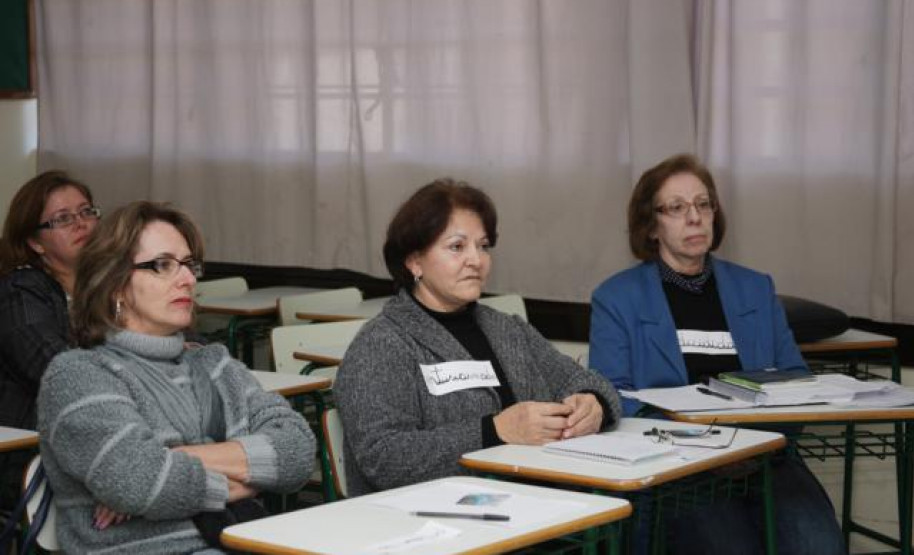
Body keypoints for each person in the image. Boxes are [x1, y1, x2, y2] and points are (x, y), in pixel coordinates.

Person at [589, 153, 844, 554]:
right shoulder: (617, 298)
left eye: (703, 203)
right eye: (676, 207)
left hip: (764, 458)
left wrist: (755, 447)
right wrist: (704, 447)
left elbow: (797, 380)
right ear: (651, 225)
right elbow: (613, 396)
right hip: (681, 466)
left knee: (821, 547)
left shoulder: (755, 289)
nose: (694, 217)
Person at [37, 201, 315, 553]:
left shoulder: (213, 363)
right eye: (162, 265)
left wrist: (177, 457)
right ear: (115, 284)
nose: (187, 279)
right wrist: (251, 478)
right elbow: (140, 481)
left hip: (239, 542)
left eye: (188, 264)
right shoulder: (77, 375)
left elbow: (297, 451)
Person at [335, 178, 621, 497]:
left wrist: (593, 404)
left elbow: (582, 380)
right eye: (457, 247)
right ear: (414, 261)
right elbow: (384, 457)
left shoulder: (506, 328)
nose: (476, 260)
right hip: (434, 520)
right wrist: (495, 431)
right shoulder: (382, 343)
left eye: (483, 246)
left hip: (535, 504)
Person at [0, 170, 100, 510]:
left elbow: (186, 346)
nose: (81, 223)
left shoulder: (114, 282)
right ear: (35, 242)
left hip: (105, 437)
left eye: (87, 211)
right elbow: (59, 370)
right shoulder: (21, 292)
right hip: (35, 451)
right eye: (63, 218)